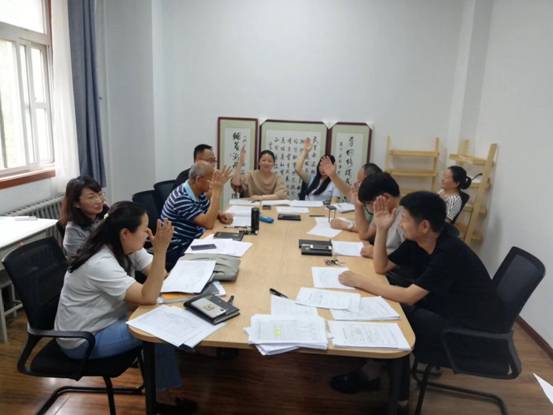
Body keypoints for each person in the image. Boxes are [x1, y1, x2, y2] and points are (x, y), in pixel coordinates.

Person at [332, 192, 505, 412]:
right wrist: (382, 229)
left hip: (470, 332)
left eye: (404, 218)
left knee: (399, 318)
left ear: (424, 226)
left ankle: (400, 401)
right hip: (447, 308)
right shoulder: (418, 241)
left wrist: (359, 281)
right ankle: (373, 371)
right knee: (392, 296)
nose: (400, 223)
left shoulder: (449, 252)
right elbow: (381, 267)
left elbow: (409, 296)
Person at [54, 202, 194, 409]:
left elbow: (161, 275)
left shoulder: (125, 245)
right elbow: (148, 296)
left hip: (106, 321)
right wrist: (160, 251)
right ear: (125, 233)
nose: (149, 234)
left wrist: (158, 254)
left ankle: (159, 379)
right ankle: (161, 398)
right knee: (157, 331)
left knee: (159, 313)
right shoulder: (99, 262)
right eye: (144, 229)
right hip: (83, 339)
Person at [162, 161, 233, 268]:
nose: (213, 183)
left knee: (226, 252)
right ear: (199, 179)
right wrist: (216, 192)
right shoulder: (181, 198)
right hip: (177, 248)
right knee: (221, 260)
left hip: (194, 240)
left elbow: (206, 211)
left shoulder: (197, 192)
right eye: (211, 179)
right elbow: (208, 223)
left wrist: (220, 214)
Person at [322, 161, 382, 239]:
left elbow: (368, 233)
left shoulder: (380, 202)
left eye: (359, 182)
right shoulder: (367, 197)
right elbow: (347, 191)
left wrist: (346, 225)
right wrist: (333, 176)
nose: (355, 184)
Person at [354, 172, 405, 258]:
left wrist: (376, 252)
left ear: (385, 197)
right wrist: (358, 206)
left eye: (369, 203)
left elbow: (409, 258)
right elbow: (365, 234)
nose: (368, 207)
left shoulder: (405, 218)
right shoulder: (383, 210)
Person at [59, 176, 109, 258]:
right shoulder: (73, 231)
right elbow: (82, 260)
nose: (99, 201)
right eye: (91, 197)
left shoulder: (105, 215)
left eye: (100, 194)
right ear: (76, 203)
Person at [294, 137, 340, 203]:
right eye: (321, 165)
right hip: (306, 208)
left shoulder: (335, 184)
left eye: (327, 166)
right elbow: (298, 169)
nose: (323, 169)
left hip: (322, 209)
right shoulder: (312, 178)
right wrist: (305, 151)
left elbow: (334, 204)